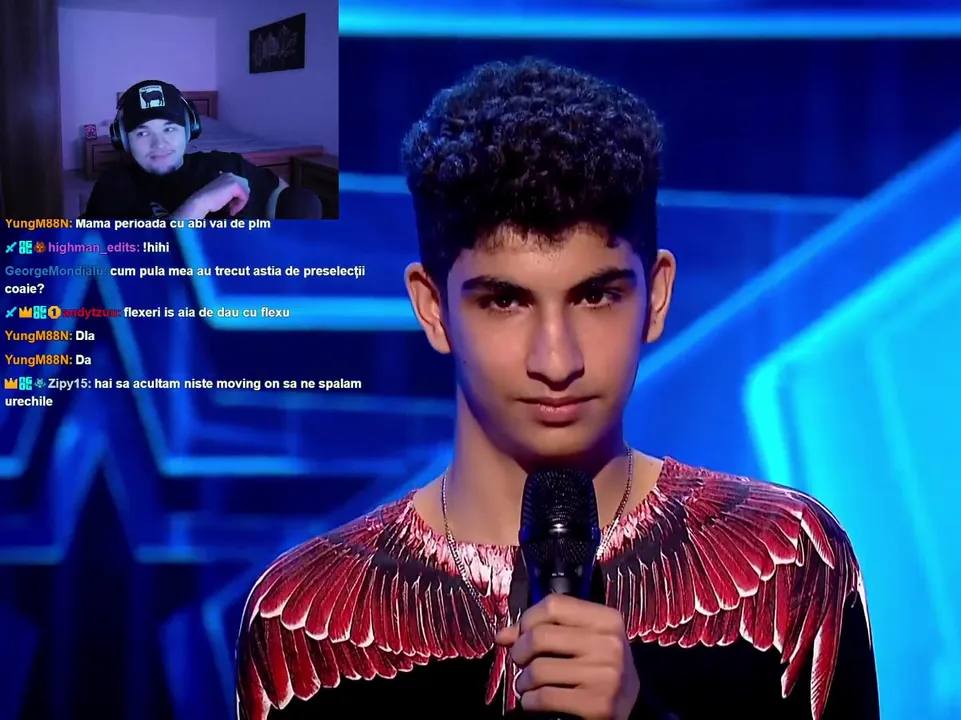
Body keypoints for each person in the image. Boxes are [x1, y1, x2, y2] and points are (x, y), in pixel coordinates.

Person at [235, 58, 880, 719]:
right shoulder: (300, 613)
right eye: (505, 301)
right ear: (433, 309)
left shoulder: (789, 559)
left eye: (596, 296)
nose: (556, 359)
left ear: (657, 296)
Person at [80, 80, 287, 220]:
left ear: (190, 130)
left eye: (169, 129)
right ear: (123, 140)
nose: (159, 144)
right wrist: (200, 203)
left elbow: (280, 191)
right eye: (142, 133)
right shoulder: (113, 187)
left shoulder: (227, 164)